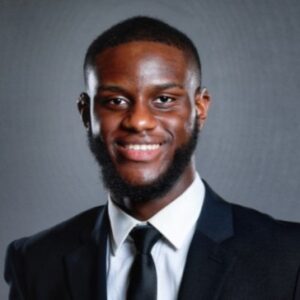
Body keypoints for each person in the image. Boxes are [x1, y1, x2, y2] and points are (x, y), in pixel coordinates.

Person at [4, 16, 300, 300]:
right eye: (115, 101)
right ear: (86, 113)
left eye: (164, 100)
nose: (139, 121)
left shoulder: (289, 257)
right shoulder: (34, 261)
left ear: (200, 108)